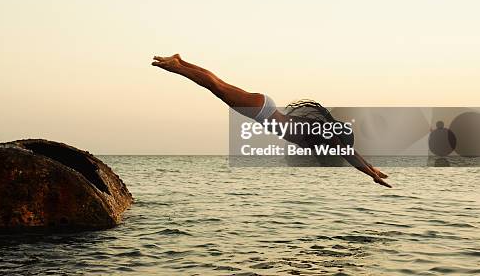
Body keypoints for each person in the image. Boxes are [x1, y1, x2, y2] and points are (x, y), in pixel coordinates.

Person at [152, 54, 391, 188]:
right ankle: (177, 67)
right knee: (215, 86)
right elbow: (350, 154)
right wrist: (370, 174)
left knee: (219, 84)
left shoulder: (320, 131)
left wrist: (371, 168)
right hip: (260, 111)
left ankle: (180, 61)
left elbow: (350, 152)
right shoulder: (323, 137)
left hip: (264, 104)